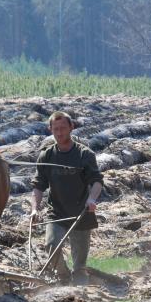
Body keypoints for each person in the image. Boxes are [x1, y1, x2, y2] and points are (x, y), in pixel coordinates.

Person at [30, 111, 103, 284]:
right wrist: (34, 209)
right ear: (50, 130)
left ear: (72, 127)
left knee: (79, 265)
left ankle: (80, 287)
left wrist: (91, 199)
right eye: (56, 129)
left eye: (63, 128)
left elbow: (97, 181)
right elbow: (38, 186)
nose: (60, 132)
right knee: (51, 245)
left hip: (81, 213)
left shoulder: (84, 154)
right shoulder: (46, 156)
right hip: (56, 212)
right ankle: (63, 277)